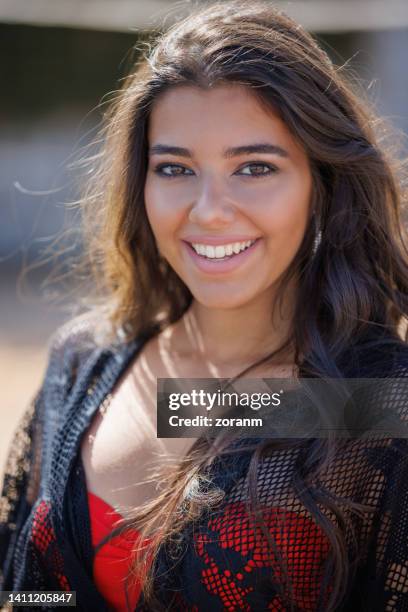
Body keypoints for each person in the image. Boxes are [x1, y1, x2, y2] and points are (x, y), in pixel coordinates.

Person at [1, 0, 408, 610]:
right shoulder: (83, 361)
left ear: (321, 186)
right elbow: (26, 595)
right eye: (175, 168)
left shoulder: (374, 396)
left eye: (254, 167)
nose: (209, 210)